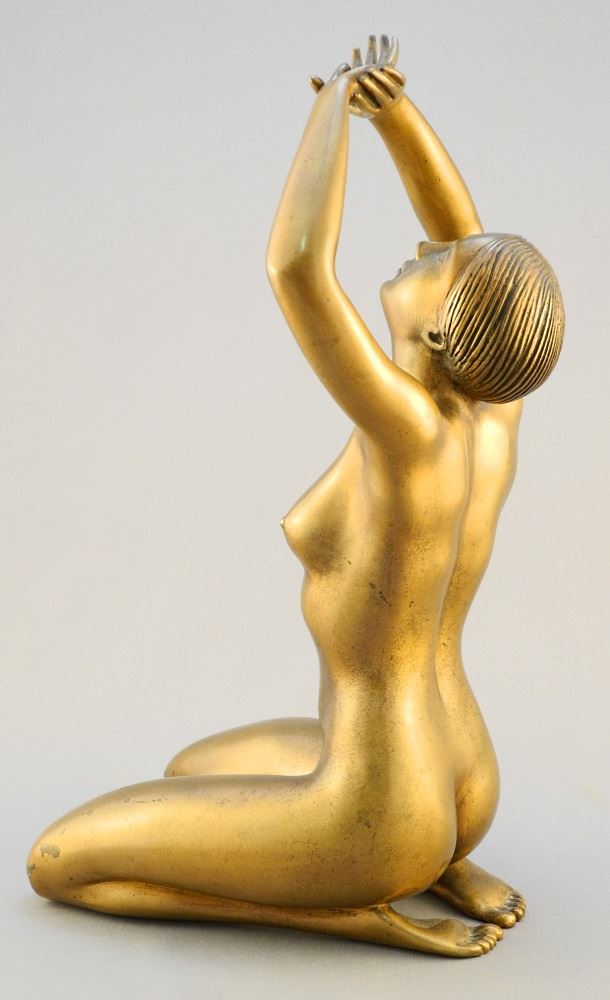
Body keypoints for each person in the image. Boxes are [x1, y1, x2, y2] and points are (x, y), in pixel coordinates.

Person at [28, 37, 563, 958]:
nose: (421, 249)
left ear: (443, 328)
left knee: (60, 864)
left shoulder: (408, 435)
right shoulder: (490, 410)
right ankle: (444, 859)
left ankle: (361, 906)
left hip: (379, 802)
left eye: (435, 266)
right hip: (462, 768)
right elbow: (467, 243)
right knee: (191, 769)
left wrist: (331, 108)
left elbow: (297, 270)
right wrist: (396, 118)